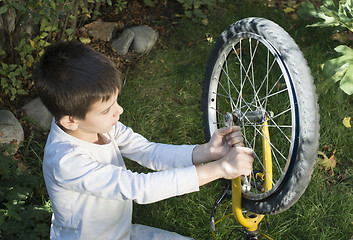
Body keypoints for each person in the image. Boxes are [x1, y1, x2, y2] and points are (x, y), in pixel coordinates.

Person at [33, 41, 254, 240]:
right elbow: (139, 188)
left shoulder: (96, 126)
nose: (119, 111)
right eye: (107, 110)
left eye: (116, 101)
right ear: (71, 121)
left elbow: (148, 151)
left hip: (121, 233)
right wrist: (220, 168)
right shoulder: (66, 162)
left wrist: (206, 152)